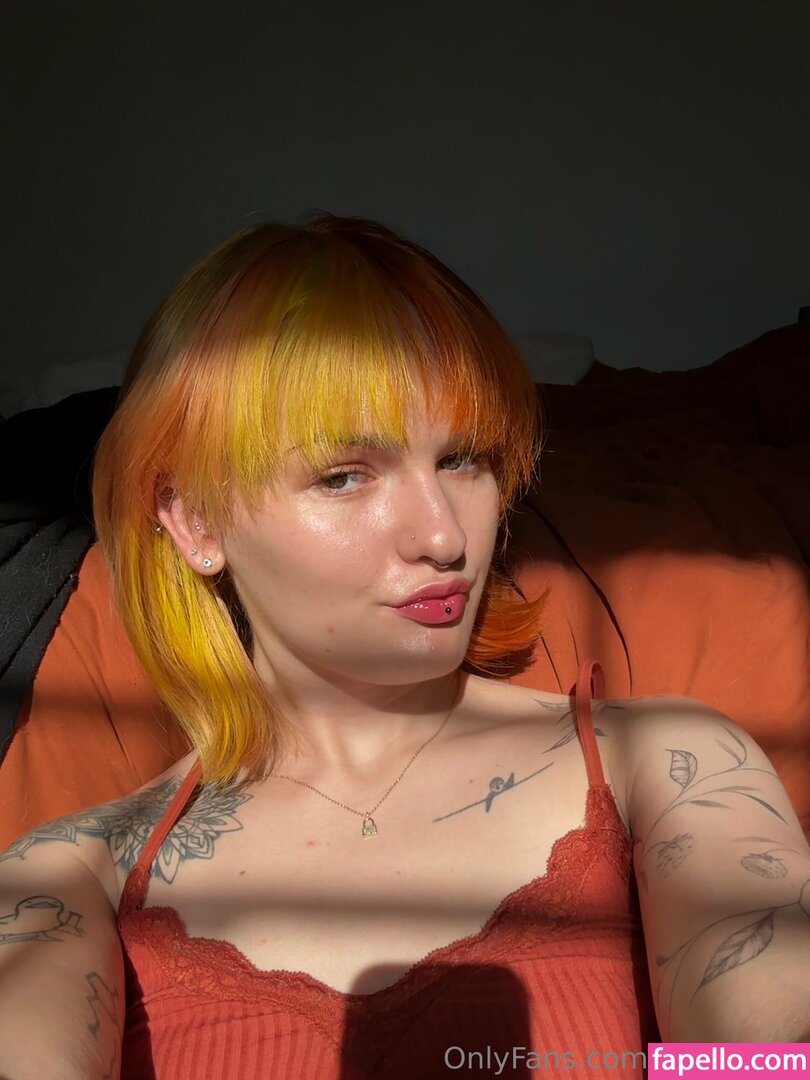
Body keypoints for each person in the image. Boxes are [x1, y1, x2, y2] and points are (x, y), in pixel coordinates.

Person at [1, 215, 808, 1080]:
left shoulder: (664, 761)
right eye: (345, 475)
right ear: (194, 519)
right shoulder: (73, 872)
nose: (444, 536)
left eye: (463, 459)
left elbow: (765, 1059)